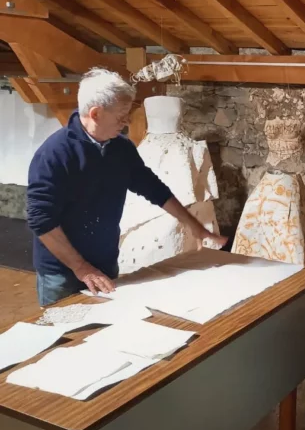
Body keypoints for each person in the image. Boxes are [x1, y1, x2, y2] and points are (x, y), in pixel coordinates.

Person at [27, 68, 226, 307]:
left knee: (109, 323)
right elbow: (41, 220)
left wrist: (195, 226)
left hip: (105, 261)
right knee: (65, 327)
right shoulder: (55, 154)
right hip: (62, 272)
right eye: (121, 116)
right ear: (96, 113)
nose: (127, 122)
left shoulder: (121, 148)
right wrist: (81, 267)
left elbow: (154, 189)